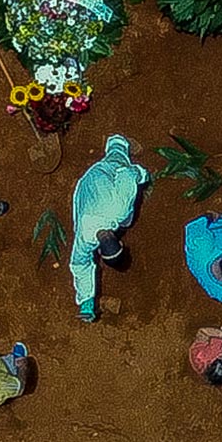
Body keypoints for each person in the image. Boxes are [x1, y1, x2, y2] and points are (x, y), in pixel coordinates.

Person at [68, 134, 149, 321]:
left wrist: (87, 299)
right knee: (117, 159)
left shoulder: (86, 237)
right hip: (93, 181)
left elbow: (80, 264)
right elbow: (127, 174)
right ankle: (117, 143)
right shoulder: (114, 213)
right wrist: (142, 174)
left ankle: (117, 141)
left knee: (126, 216)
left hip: (88, 186)